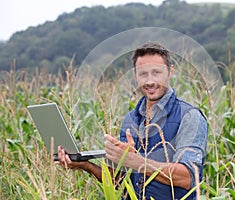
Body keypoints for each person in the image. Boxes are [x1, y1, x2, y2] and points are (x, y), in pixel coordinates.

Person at [57, 41, 208, 199]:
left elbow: (189, 177)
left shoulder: (189, 116)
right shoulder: (131, 119)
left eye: (156, 72)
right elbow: (121, 182)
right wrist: (85, 165)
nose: (150, 81)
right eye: (143, 74)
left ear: (170, 72)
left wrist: (136, 162)